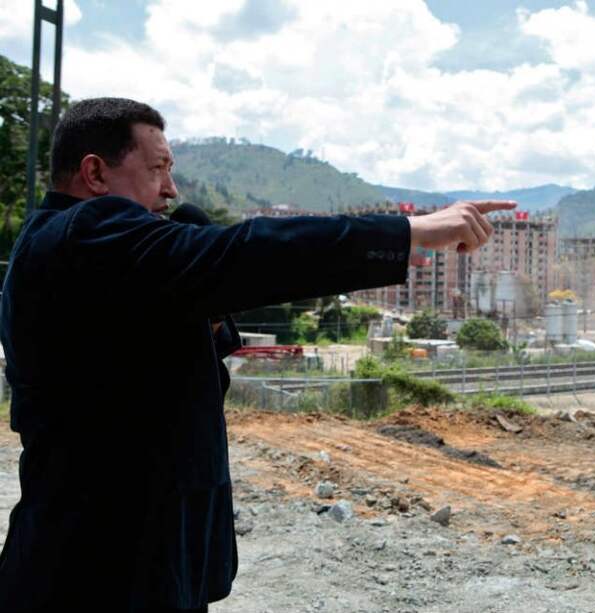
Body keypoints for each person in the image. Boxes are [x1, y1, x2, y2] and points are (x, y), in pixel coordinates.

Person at [0, 97, 514, 612]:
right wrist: (409, 231)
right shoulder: (83, 234)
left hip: (138, 560)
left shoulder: (104, 260)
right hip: (91, 571)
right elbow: (246, 252)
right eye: (157, 169)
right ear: (94, 173)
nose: (170, 189)